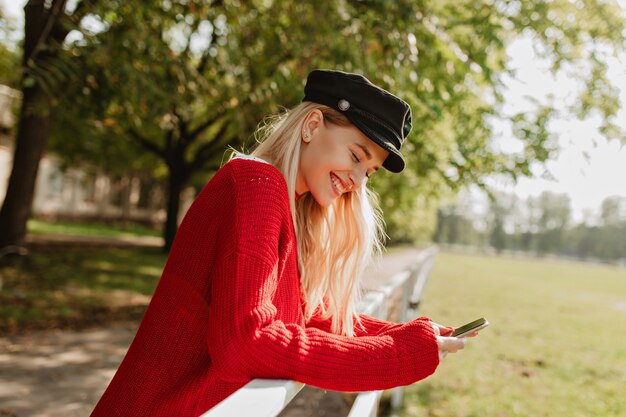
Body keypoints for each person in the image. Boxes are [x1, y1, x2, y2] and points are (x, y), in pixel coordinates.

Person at [90, 69, 473, 417]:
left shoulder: (289, 207)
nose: (358, 180)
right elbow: (245, 342)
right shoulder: (259, 185)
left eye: (369, 172)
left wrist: (413, 337)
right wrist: (401, 354)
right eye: (356, 155)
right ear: (311, 125)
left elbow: (313, 320)